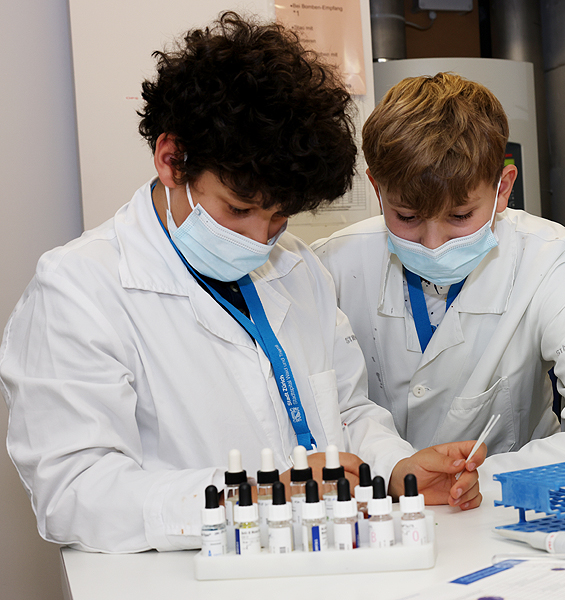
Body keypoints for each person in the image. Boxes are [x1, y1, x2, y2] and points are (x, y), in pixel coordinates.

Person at [0, 13, 484, 554]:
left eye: (278, 217)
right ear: (171, 160)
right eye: (239, 209)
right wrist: (260, 494)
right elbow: (74, 494)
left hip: (324, 562)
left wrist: (396, 469)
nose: (259, 239)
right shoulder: (80, 289)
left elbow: (344, 411)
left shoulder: (298, 268)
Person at [311, 72, 565, 476]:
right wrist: (396, 470)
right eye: (407, 216)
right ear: (377, 189)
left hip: (505, 506)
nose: (432, 243)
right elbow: (333, 415)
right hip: (382, 508)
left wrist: (474, 478)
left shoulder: (547, 257)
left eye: (460, 216)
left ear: (503, 188)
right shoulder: (334, 263)